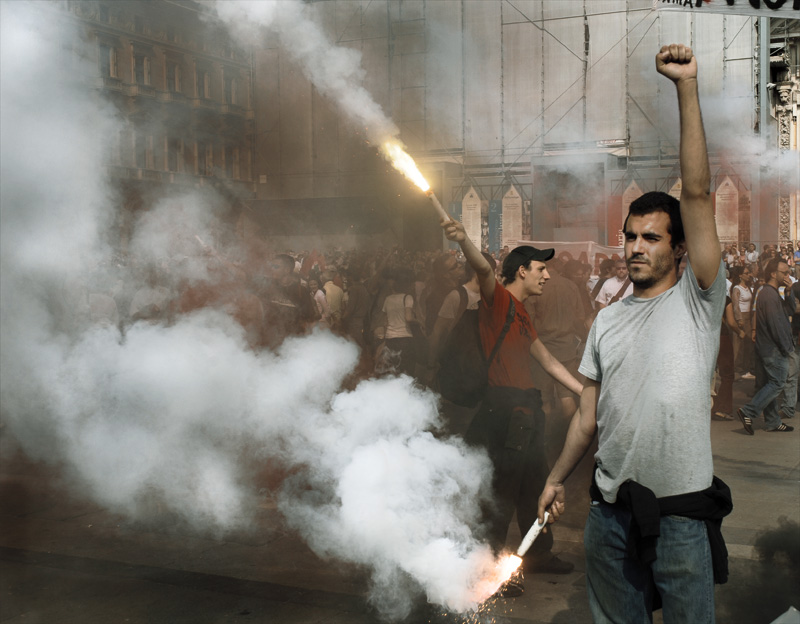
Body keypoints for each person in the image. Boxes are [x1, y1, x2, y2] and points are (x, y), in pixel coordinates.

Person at [537, 44, 732, 623]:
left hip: (680, 517)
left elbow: (696, 193)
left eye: (651, 238)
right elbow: (587, 418)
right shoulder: (609, 318)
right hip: (610, 514)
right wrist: (554, 480)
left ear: (678, 247)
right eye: (630, 237)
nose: (636, 248)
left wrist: (685, 88)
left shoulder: (699, 300)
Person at [441, 220, 584, 596]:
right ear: (522, 271)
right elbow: (485, 269)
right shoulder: (499, 300)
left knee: (535, 486)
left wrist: (585, 392)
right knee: (501, 494)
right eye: (541, 269)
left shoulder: (521, 313)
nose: (548, 276)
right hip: (505, 413)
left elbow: (550, 362)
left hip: (527, 409)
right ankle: (487, 569)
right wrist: (464, 240)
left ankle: (537, 553)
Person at [737, 258, 796, 434]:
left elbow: (790, 310)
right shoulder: (768, 295)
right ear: (773, 273)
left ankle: (772, 421)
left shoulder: (774, 292)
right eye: (784, 272)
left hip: (770, 348)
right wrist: (786, 347)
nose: (788, 275)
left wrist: (789, 291)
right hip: (773, 349)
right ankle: (748, 411)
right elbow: (775, 325)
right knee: (777, 383)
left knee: (770, 384)